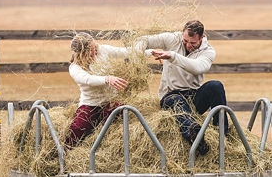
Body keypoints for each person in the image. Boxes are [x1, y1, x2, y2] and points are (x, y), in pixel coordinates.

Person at [134, 20, 226, 156]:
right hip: (170, 95)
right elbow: (141, 40)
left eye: (193, 43)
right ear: (182, 35)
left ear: (202, 37)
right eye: (185, 41)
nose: (188, 45)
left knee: (216, 86)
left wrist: (173, 56)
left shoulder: (208, 51)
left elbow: (197, 68)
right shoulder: (172, 38)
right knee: (176, 100)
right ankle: (194, 134)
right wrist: (140, 57)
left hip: (194, 97)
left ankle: (222, 133)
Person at [65, 32, 131, 147]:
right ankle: (64, 153)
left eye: (94, 47)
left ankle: (108, 146)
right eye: (91, 50)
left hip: (110, 101)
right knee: (77, 127)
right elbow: (88, 80)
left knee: (117, 113)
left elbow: (124, 52)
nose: (95, 51)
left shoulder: (102, 50)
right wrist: (108, 79)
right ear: (81, 53)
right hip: (90, 104)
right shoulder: (74, 68)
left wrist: (149, 52)